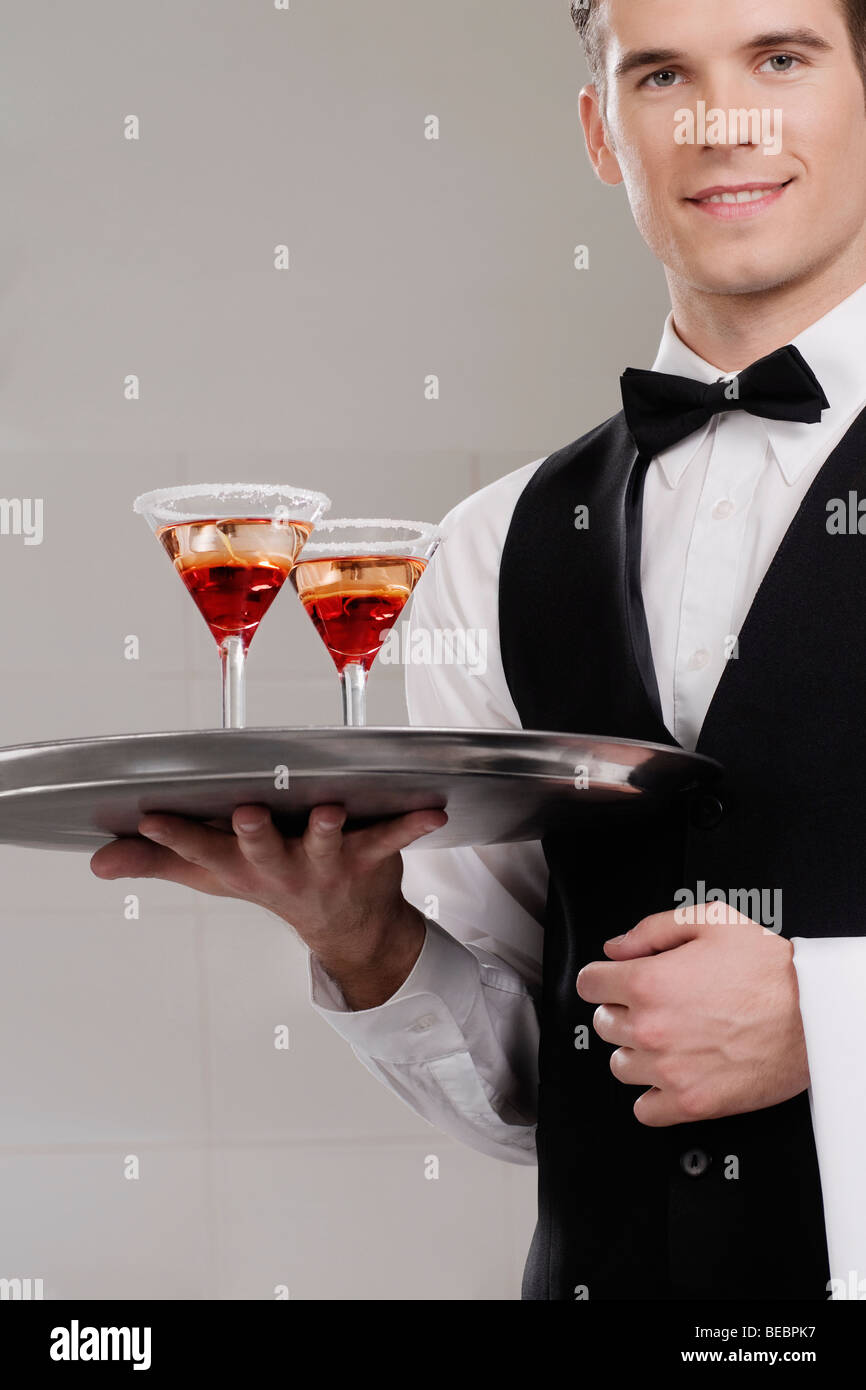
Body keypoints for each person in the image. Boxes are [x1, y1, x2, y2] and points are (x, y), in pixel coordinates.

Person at [92, 0, 866, 1300]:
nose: (722, 119)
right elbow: (531, 1085)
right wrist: (361, 939)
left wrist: (830, 1029)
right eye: (661, 73)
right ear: (600, 131)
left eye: (779, 59)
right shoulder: (487, 543)